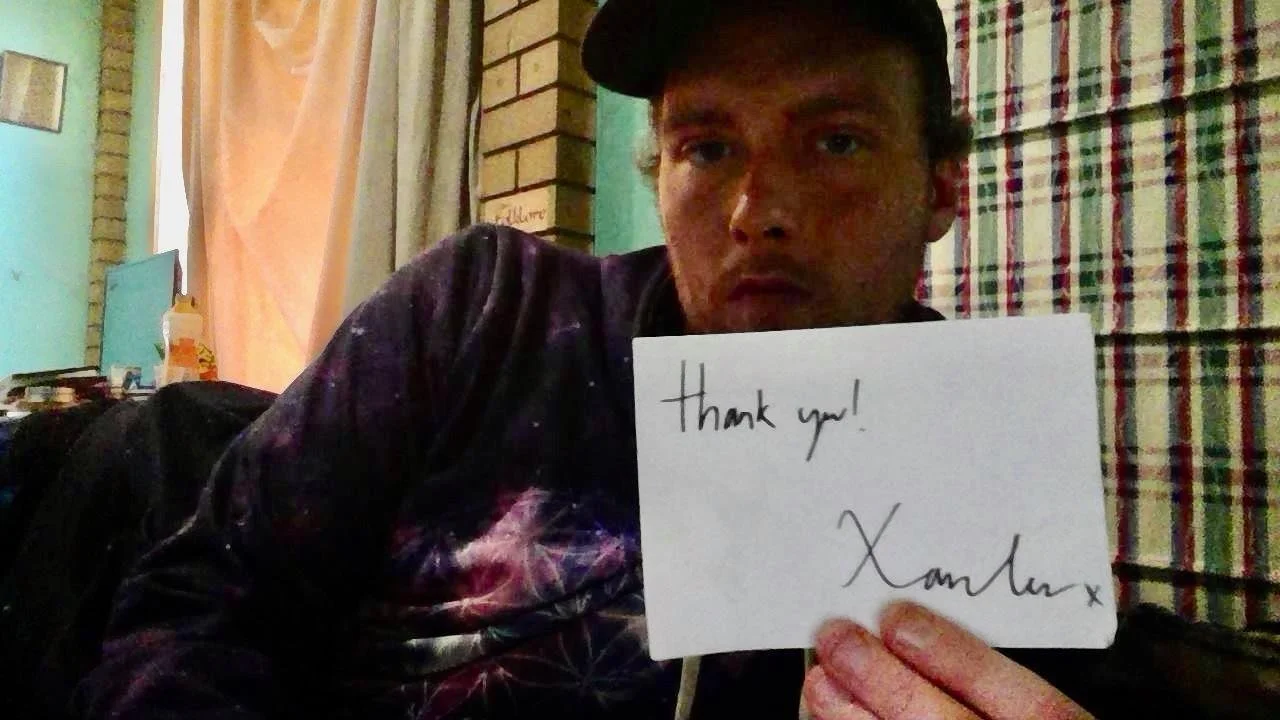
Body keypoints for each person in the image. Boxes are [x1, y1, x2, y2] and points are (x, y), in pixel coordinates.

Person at [75, 1, 1275, 718]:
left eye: (834, 140)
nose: (756, 210)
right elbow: (191, 605)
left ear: (939, 189)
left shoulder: (969, 466)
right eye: (706, 147)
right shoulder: (483, 312)